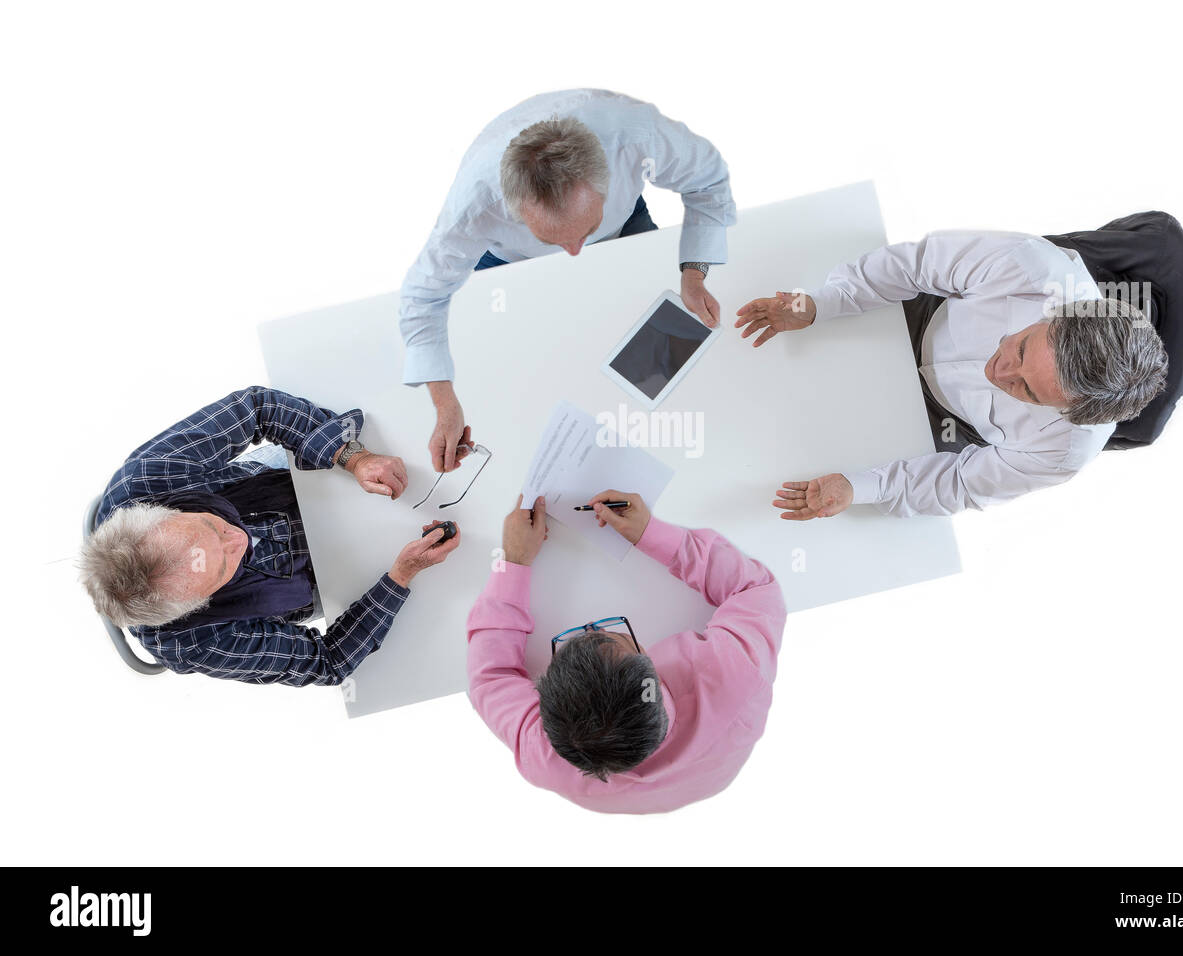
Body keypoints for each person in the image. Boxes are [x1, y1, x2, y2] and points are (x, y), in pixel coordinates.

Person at [400, 88, 736, 474]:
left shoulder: (637, 134)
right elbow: (422, 299)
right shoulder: (473, 206)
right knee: (528, 357)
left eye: (586, 229)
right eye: (554, 238)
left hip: (622, 227)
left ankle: (635, 428)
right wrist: (445, 405)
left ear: (604, 180)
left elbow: (708, 182)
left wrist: (694, 272)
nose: (576, 254)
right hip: (509, 257)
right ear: (514, 207)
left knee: (654, 331)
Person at [735, 230, 1170, 517]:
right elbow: (915, 266)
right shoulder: (1032, 267)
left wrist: (859, 487)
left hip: (941, 419)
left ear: (1067, 412)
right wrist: (821, 304)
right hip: (924, 314)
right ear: (1055, 314)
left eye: (1028, 392)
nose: (1000, 372)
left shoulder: (1064, 450)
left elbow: (961, 483)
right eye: (1020, 348)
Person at [78, 386, 459, 685]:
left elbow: (257, 408)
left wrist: (352, 457)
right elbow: (329, 660)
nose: (238, 542)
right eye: (225, 567)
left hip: (274, 484)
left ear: (162, 514)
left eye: (212, 527)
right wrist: (401, 575)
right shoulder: (188, 643)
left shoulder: (142, 480)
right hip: (317, 583)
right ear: (196, 605)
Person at [466, 491, 785, 813]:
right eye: (613, 636)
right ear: (651, 671)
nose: (596, 628)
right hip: (712, 778)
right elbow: (753, 589)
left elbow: (492, 676)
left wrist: (513, 561)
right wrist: (653, 534)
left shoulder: (543, 756)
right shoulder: (736, 674)